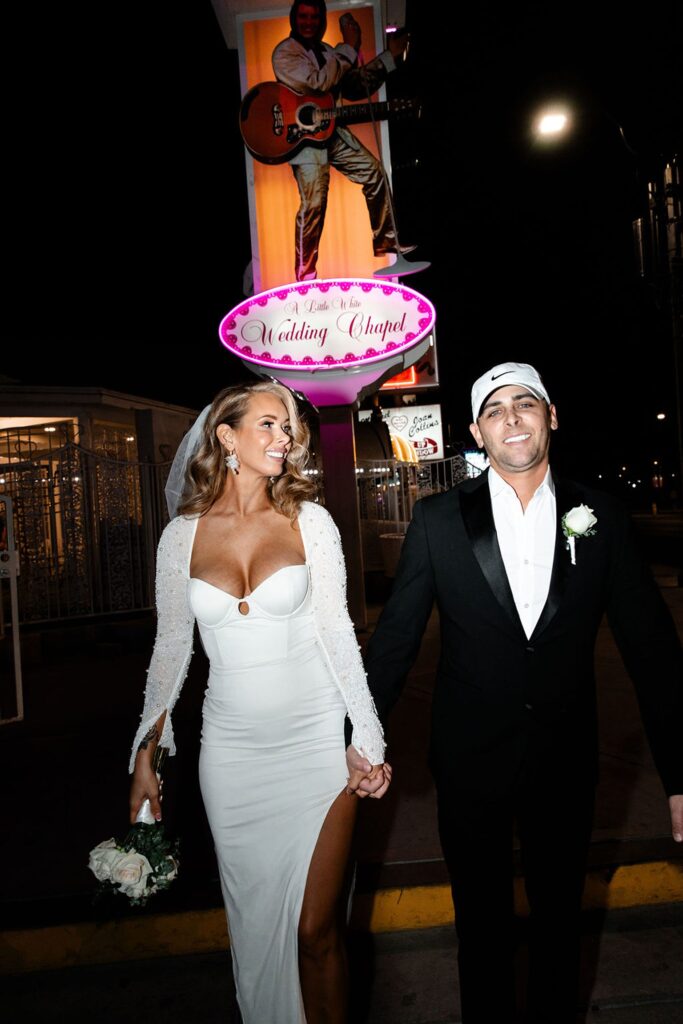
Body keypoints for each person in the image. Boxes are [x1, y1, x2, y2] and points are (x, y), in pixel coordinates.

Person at [351, 361, 683, 1023]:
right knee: (480, 931)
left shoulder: (601, 517)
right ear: (476, 431)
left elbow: (651, 651)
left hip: (564, 761)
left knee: (560, 930)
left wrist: (680, 774)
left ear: (550, 417)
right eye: (495, 408)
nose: (511, 418)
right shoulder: (439, 521)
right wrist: (356, 737)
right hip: (469, 761)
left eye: (525, 404)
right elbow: (394, 642)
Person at [129, 380, 391, 1024]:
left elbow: (338, 633)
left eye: (290, 429)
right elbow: (170, 651)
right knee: (251, 932)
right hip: (232, 757)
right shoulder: (180, 539)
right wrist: (146, 751)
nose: (285, 439)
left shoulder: (312, 522)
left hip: (314, 748)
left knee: (315, 931)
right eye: (270, 426)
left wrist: (368, 735)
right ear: (227, 437)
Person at [272, 0, 411, 281]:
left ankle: (387, 241)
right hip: (303, 137)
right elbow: (316, 83)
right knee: (314, 204)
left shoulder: (328, 52)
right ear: (293, 18)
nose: (308, 22)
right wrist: (349, 47)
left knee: (375, 173)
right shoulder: (285, 52)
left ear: (322, 20)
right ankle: (305, 276)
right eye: (303, 16)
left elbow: (354, 86)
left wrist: (389, 58)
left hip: (331, 131)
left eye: (314, 17)